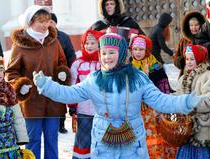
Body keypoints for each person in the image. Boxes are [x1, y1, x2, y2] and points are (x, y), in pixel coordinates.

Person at [33, 32, 202, 159]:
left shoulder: (138, 78)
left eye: (112, 52)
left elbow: (161, 101)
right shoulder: (94, 80)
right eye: (104, 53)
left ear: (121, 54)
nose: (107, 57)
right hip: (103, 142)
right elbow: (69, 94)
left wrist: (187, 101)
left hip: (133, 144)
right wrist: (46, 85)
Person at [5, 5, 71, 159]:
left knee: (52, 139)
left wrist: (62, 72)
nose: (45, 25)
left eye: (47, 21)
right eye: (41, 21)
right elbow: (11, 72)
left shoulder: (53, 41)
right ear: (30, 21)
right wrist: (19, 85)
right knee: (33, 140)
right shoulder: (20, 44)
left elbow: (62, 61)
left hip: (53, 99)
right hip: (31, 102)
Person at [130, 35, 177, 158]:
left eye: (141, 49)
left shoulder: (155, 66)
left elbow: (163, 86)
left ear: (147, 50)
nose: (137, 52)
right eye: (135, 49)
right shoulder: (129, 67)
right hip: (135, 110)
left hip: (153, 110)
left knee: (155, 135)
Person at [69, 29, 102, 159]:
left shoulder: (103, 63)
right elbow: (73, 86)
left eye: (92, 43)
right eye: (86, 43)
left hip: (101, 111)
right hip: (83, 110)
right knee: (84, 140)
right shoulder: (78, 64)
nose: (89, 46)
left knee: (100, 140)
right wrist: (72, 104)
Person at [175, 44, 210, 159]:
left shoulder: (206, 76)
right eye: (187, 59)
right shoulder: (183, 78)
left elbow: (208, 99)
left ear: (199, 59)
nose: (189, 62)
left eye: (192, 59)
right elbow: (177, 95)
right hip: (185, 128)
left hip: (202, 127)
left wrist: (190, 104)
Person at [50, 12, 76, 134]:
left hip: (61, 74)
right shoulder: (44, 37)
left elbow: (70, 54)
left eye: (52, 22)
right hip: (48, 73)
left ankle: (61, 124)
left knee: (60, 101)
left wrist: (70, 70)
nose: (49, 24)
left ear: (55, 23)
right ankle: (51, 124)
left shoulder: (63, 37)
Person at [173, 11, 210, 78]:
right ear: (188, 26)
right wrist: (180, 61)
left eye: (196, 25)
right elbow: (175, 56)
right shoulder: (183, 41)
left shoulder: (206, 39)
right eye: (191, 25)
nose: (194, 28)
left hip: (202, 75)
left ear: (200, 25)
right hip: (187, 76)